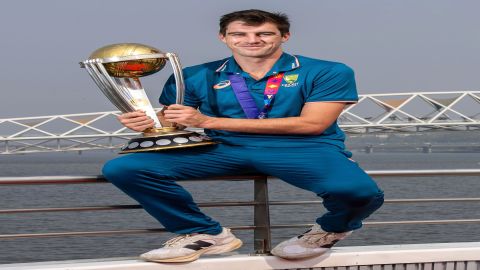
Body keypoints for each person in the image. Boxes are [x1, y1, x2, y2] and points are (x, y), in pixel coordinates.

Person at [102, 9, 384, 263]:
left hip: (303, 147)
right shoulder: (196, 74)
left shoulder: (327, 71)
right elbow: (173, 120)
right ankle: (202, 232)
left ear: (285, 36)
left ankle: (329, 229)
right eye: (239, 34)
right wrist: (147, 122)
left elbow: (312, 124)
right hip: (223, 147)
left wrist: (207, 120)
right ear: (223, 37)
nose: (252, 39)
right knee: (125, 168)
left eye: (264, 33)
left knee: (360, 193)